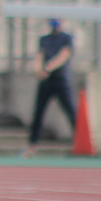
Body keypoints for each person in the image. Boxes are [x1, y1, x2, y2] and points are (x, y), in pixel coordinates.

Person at [22, 18, 76, 158]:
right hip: (46, 82)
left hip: (61, 81)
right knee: (38, 113)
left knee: (71, 112)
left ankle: (79, 142)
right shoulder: (44, 39)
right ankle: (32, 145)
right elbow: (39, 55)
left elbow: (63, 56)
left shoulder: (66, 38)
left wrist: (47, 68)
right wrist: (38, 70)